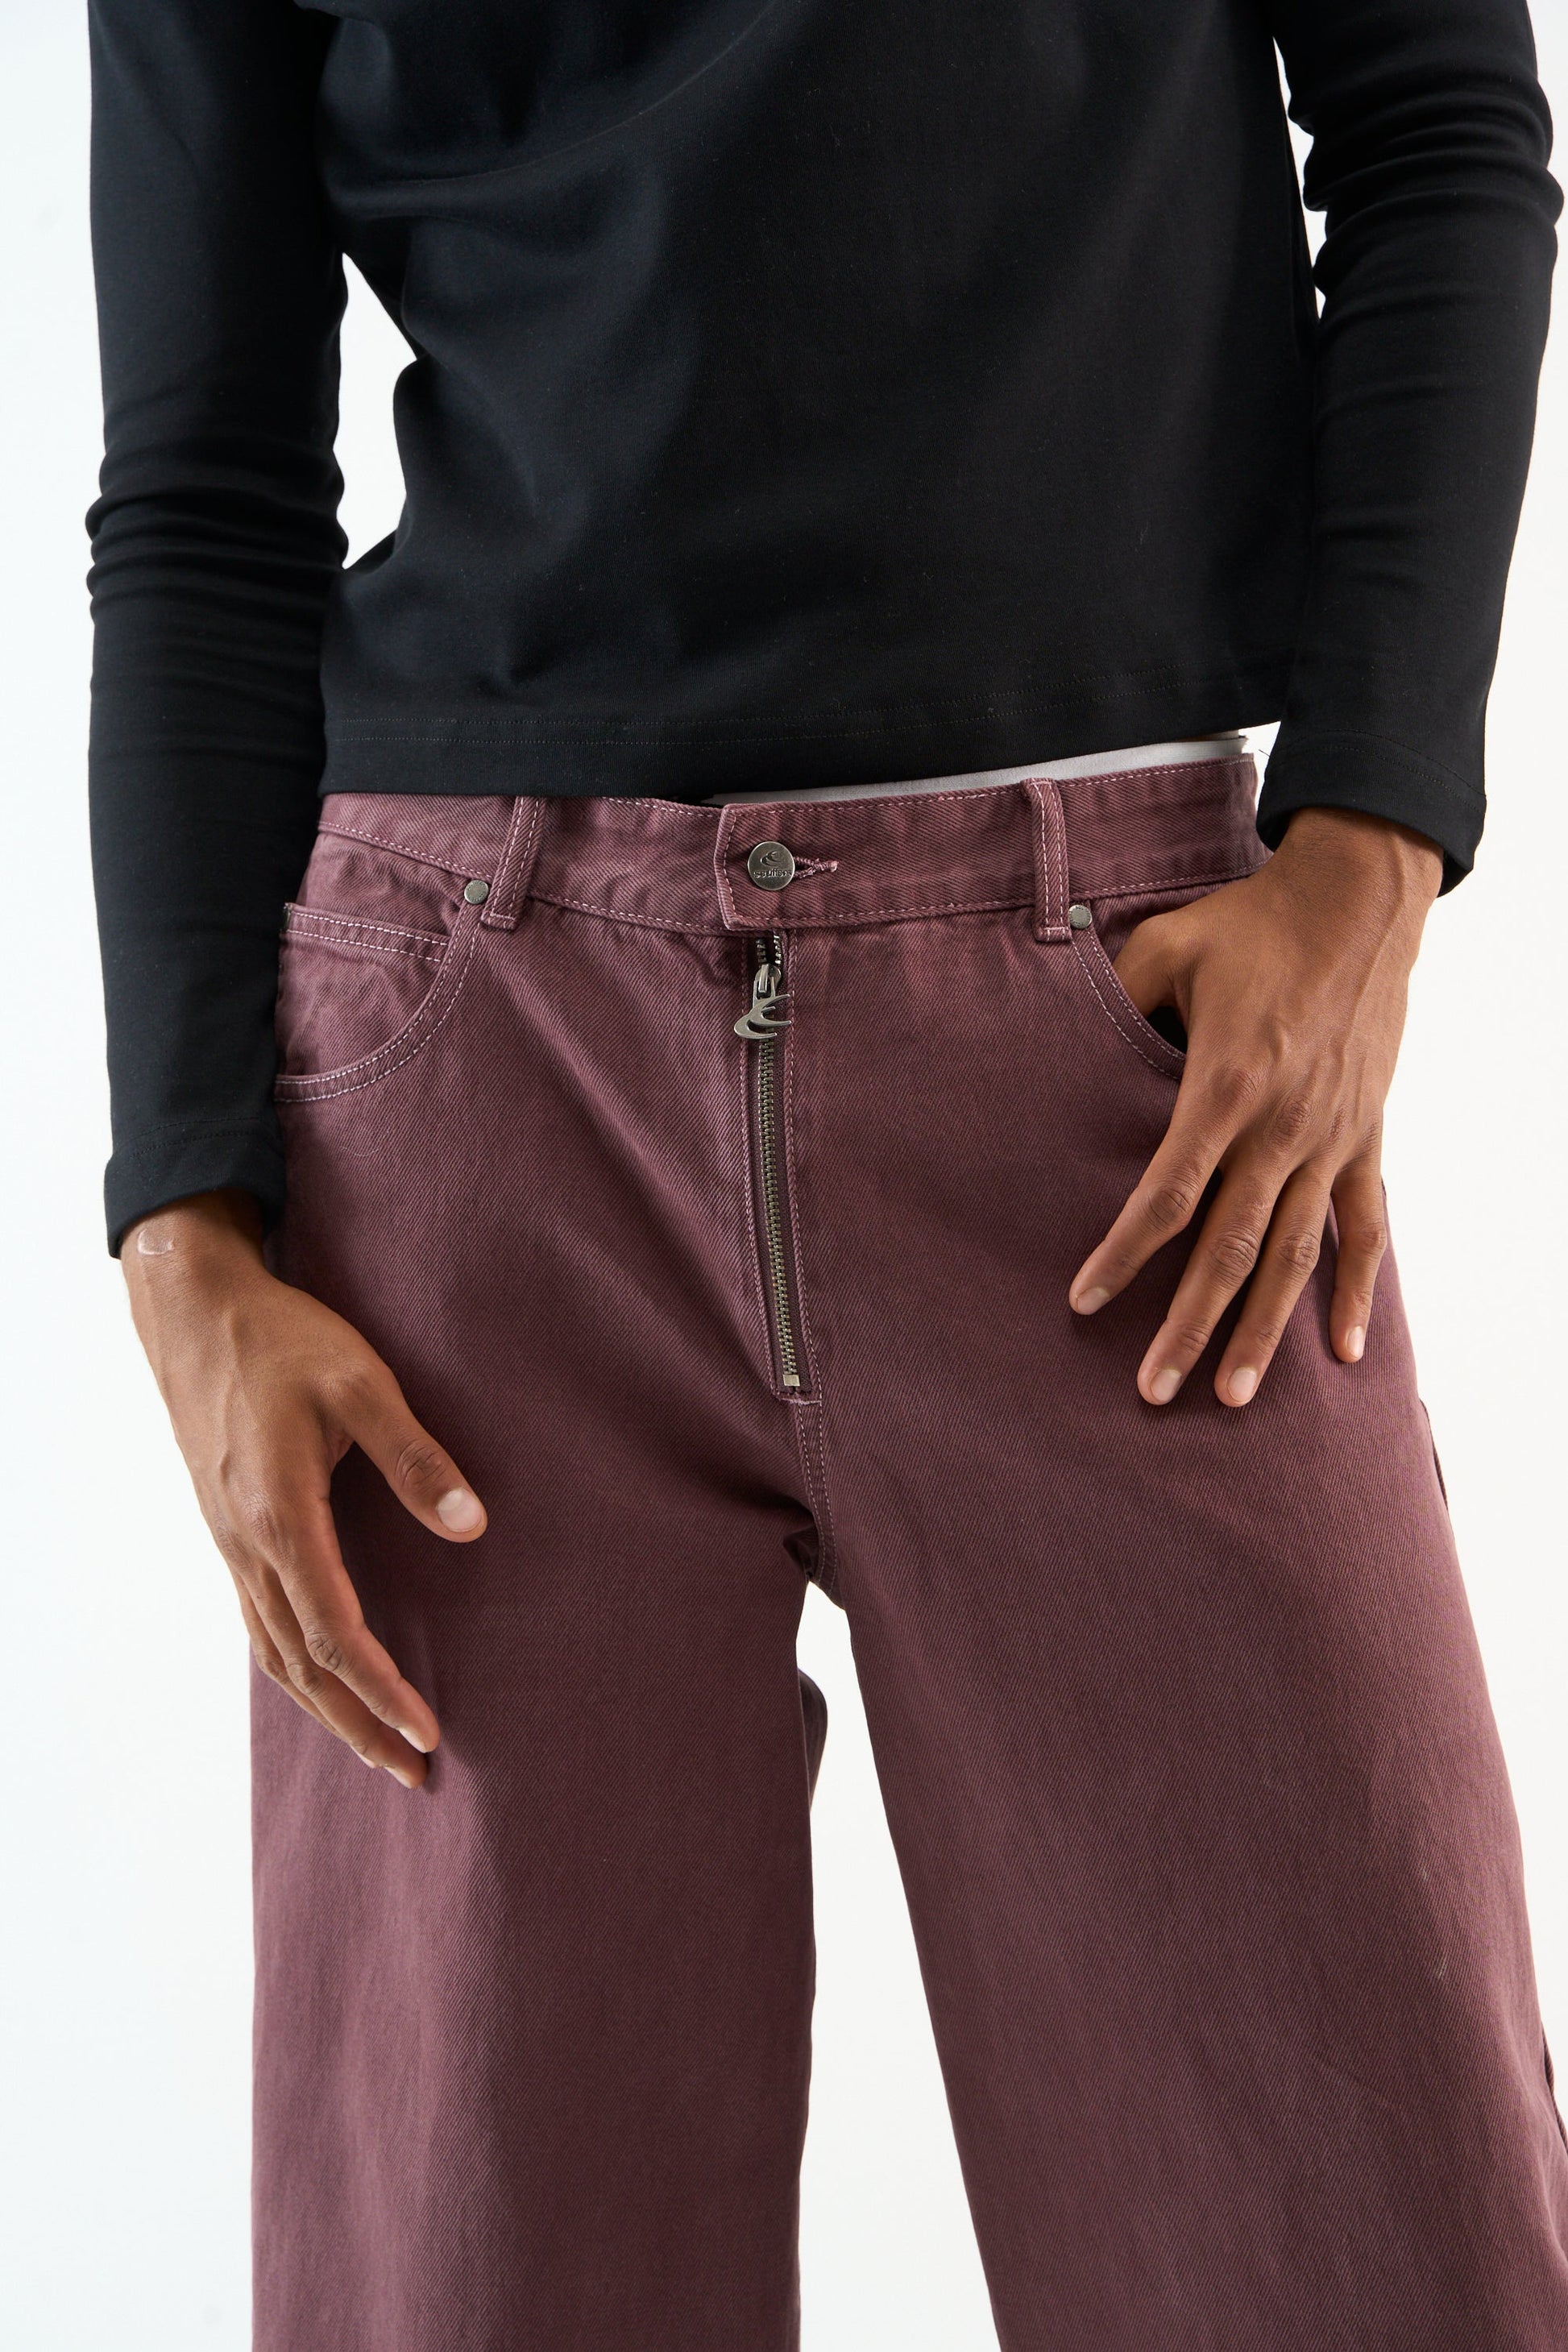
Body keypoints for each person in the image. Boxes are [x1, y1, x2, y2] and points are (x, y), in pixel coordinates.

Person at [85, 1, 1567, 2344]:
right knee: (483, 2276)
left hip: (1122, 1062)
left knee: (1366, 2238)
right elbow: (199, 488)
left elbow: (1437, 125)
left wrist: (1372, 835)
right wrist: (185, 1220)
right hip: (476, 1103)